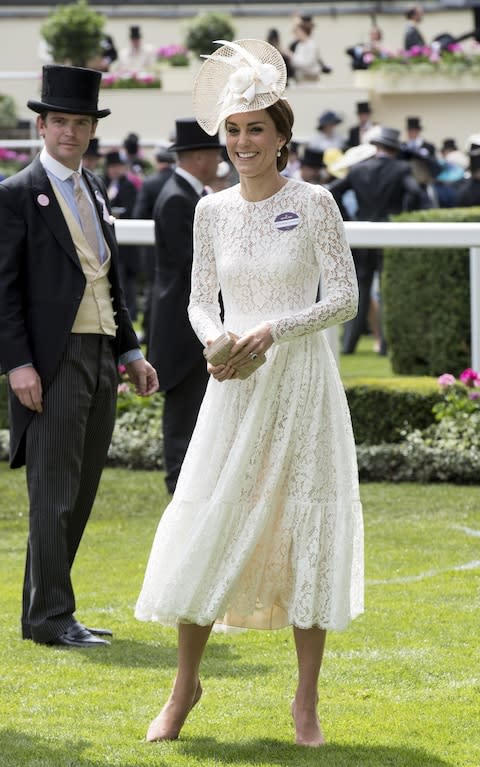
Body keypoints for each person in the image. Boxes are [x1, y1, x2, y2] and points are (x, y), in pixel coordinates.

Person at [135, 38, 364, 747]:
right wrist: (217, 340)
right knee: (209, 518)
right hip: (233, 383)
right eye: (232, 131)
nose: (241, 143)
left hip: (300, 382)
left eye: (255, 129)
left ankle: (305, 702)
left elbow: (346, 298)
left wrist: (273, 330)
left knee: (305, 527)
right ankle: (184, 687)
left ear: (282, 134)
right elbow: (201, 300)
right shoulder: (211, 210)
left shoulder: (317, 201)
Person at [0, 64, 158, 649]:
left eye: (81, 121)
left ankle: (51, 611)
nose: (70, 131)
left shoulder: (95, 189)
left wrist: (132, 349)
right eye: (59, 120)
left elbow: (111, 282)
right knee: (54, 491)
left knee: (82, 487)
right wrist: (17, 364)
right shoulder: (16, 195)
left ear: (93, 129)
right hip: (52, 358)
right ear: (41, 126)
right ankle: (48, 619)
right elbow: (4, 290)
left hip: (101, 354)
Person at [147, 118, 223, 495]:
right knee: (182, 404)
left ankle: (187, 479)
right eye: (213, 153)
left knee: (193, 402)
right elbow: (191, 263)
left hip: (183, 318)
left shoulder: (186, 193)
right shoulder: (179, 198)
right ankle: (178, 481)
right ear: (198, 157)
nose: (218, 161)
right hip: (181, 321)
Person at [328, 126, 423, 355]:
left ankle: (349, 345)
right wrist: (403, 215)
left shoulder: (359, 169)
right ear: (393, 148)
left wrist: (349, 219)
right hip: (390, 233)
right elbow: (416, 193)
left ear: (377, 147)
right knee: (387, 290)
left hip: (361, 234)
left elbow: (333, 190)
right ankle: (385, 346)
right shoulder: (402, 169)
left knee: (360, 290)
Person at [133, 143, 176, 345]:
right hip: (177, 247)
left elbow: (138, 215)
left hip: (152, 249)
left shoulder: (149, 184)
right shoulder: (177, 182)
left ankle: (150, 336)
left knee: (152, 292)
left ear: (157, 161)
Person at [102, 150, 140, 321]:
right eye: (112, 167)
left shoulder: (128, 186)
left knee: (127, 283)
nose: (115, 170)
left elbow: (132, 210)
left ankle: (130, 315)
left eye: (118, 167)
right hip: (107, 243)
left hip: (126, 245)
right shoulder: (103, 183)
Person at [290, 16, 331, 83]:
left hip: (311, 81)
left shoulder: (311, 45)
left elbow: (307, 64)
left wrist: (291, 56)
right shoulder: (299, 45)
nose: (295, 34)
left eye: (297, 31)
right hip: (300, 81)